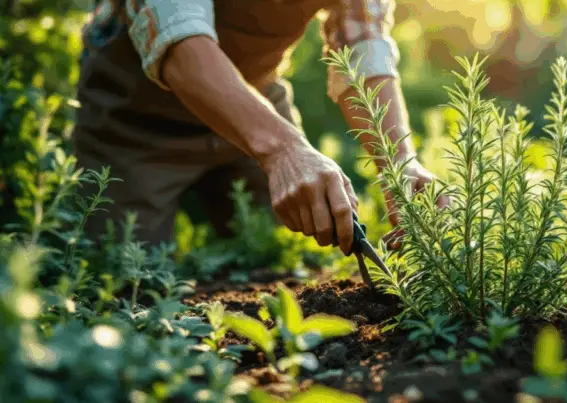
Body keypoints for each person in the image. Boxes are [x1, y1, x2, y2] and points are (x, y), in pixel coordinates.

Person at [73, 0, 448, 256]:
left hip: (256, 100)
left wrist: (400, 163)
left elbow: (363, 45)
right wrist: (283, 149)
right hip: (131, 121)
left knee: (283, 259)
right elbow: (179, 42)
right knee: (126, 277)